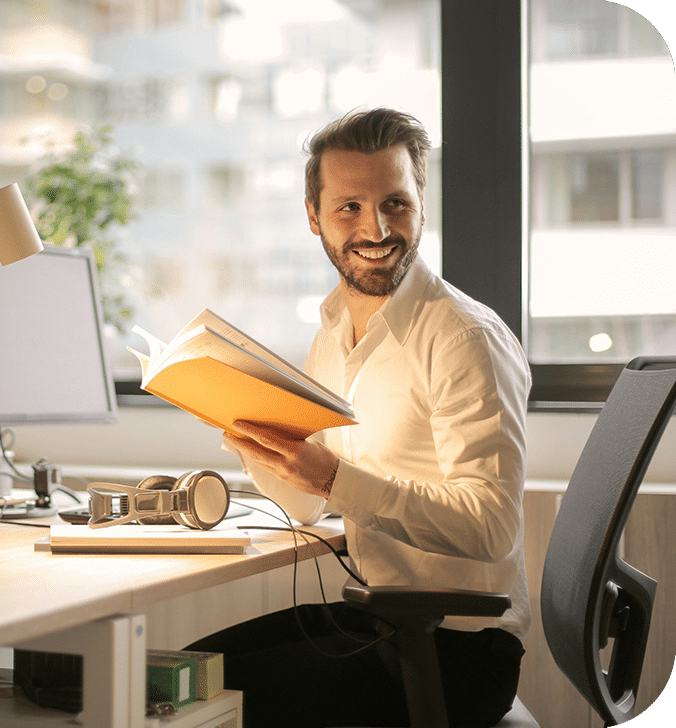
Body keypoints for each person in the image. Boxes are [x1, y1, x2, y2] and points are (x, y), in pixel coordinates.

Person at [186, 107, 531, 728]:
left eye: (395, 203)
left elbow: (490, 526)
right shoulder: (334, 330)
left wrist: (331, 478)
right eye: (349, 207)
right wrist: (253, 441)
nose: (376, 227)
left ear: (421, 204)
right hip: (380, 618)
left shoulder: (463, 337)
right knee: (181, 671)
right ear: (314, 217)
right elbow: (308, 508)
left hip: (457, 649)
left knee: (192, 703)